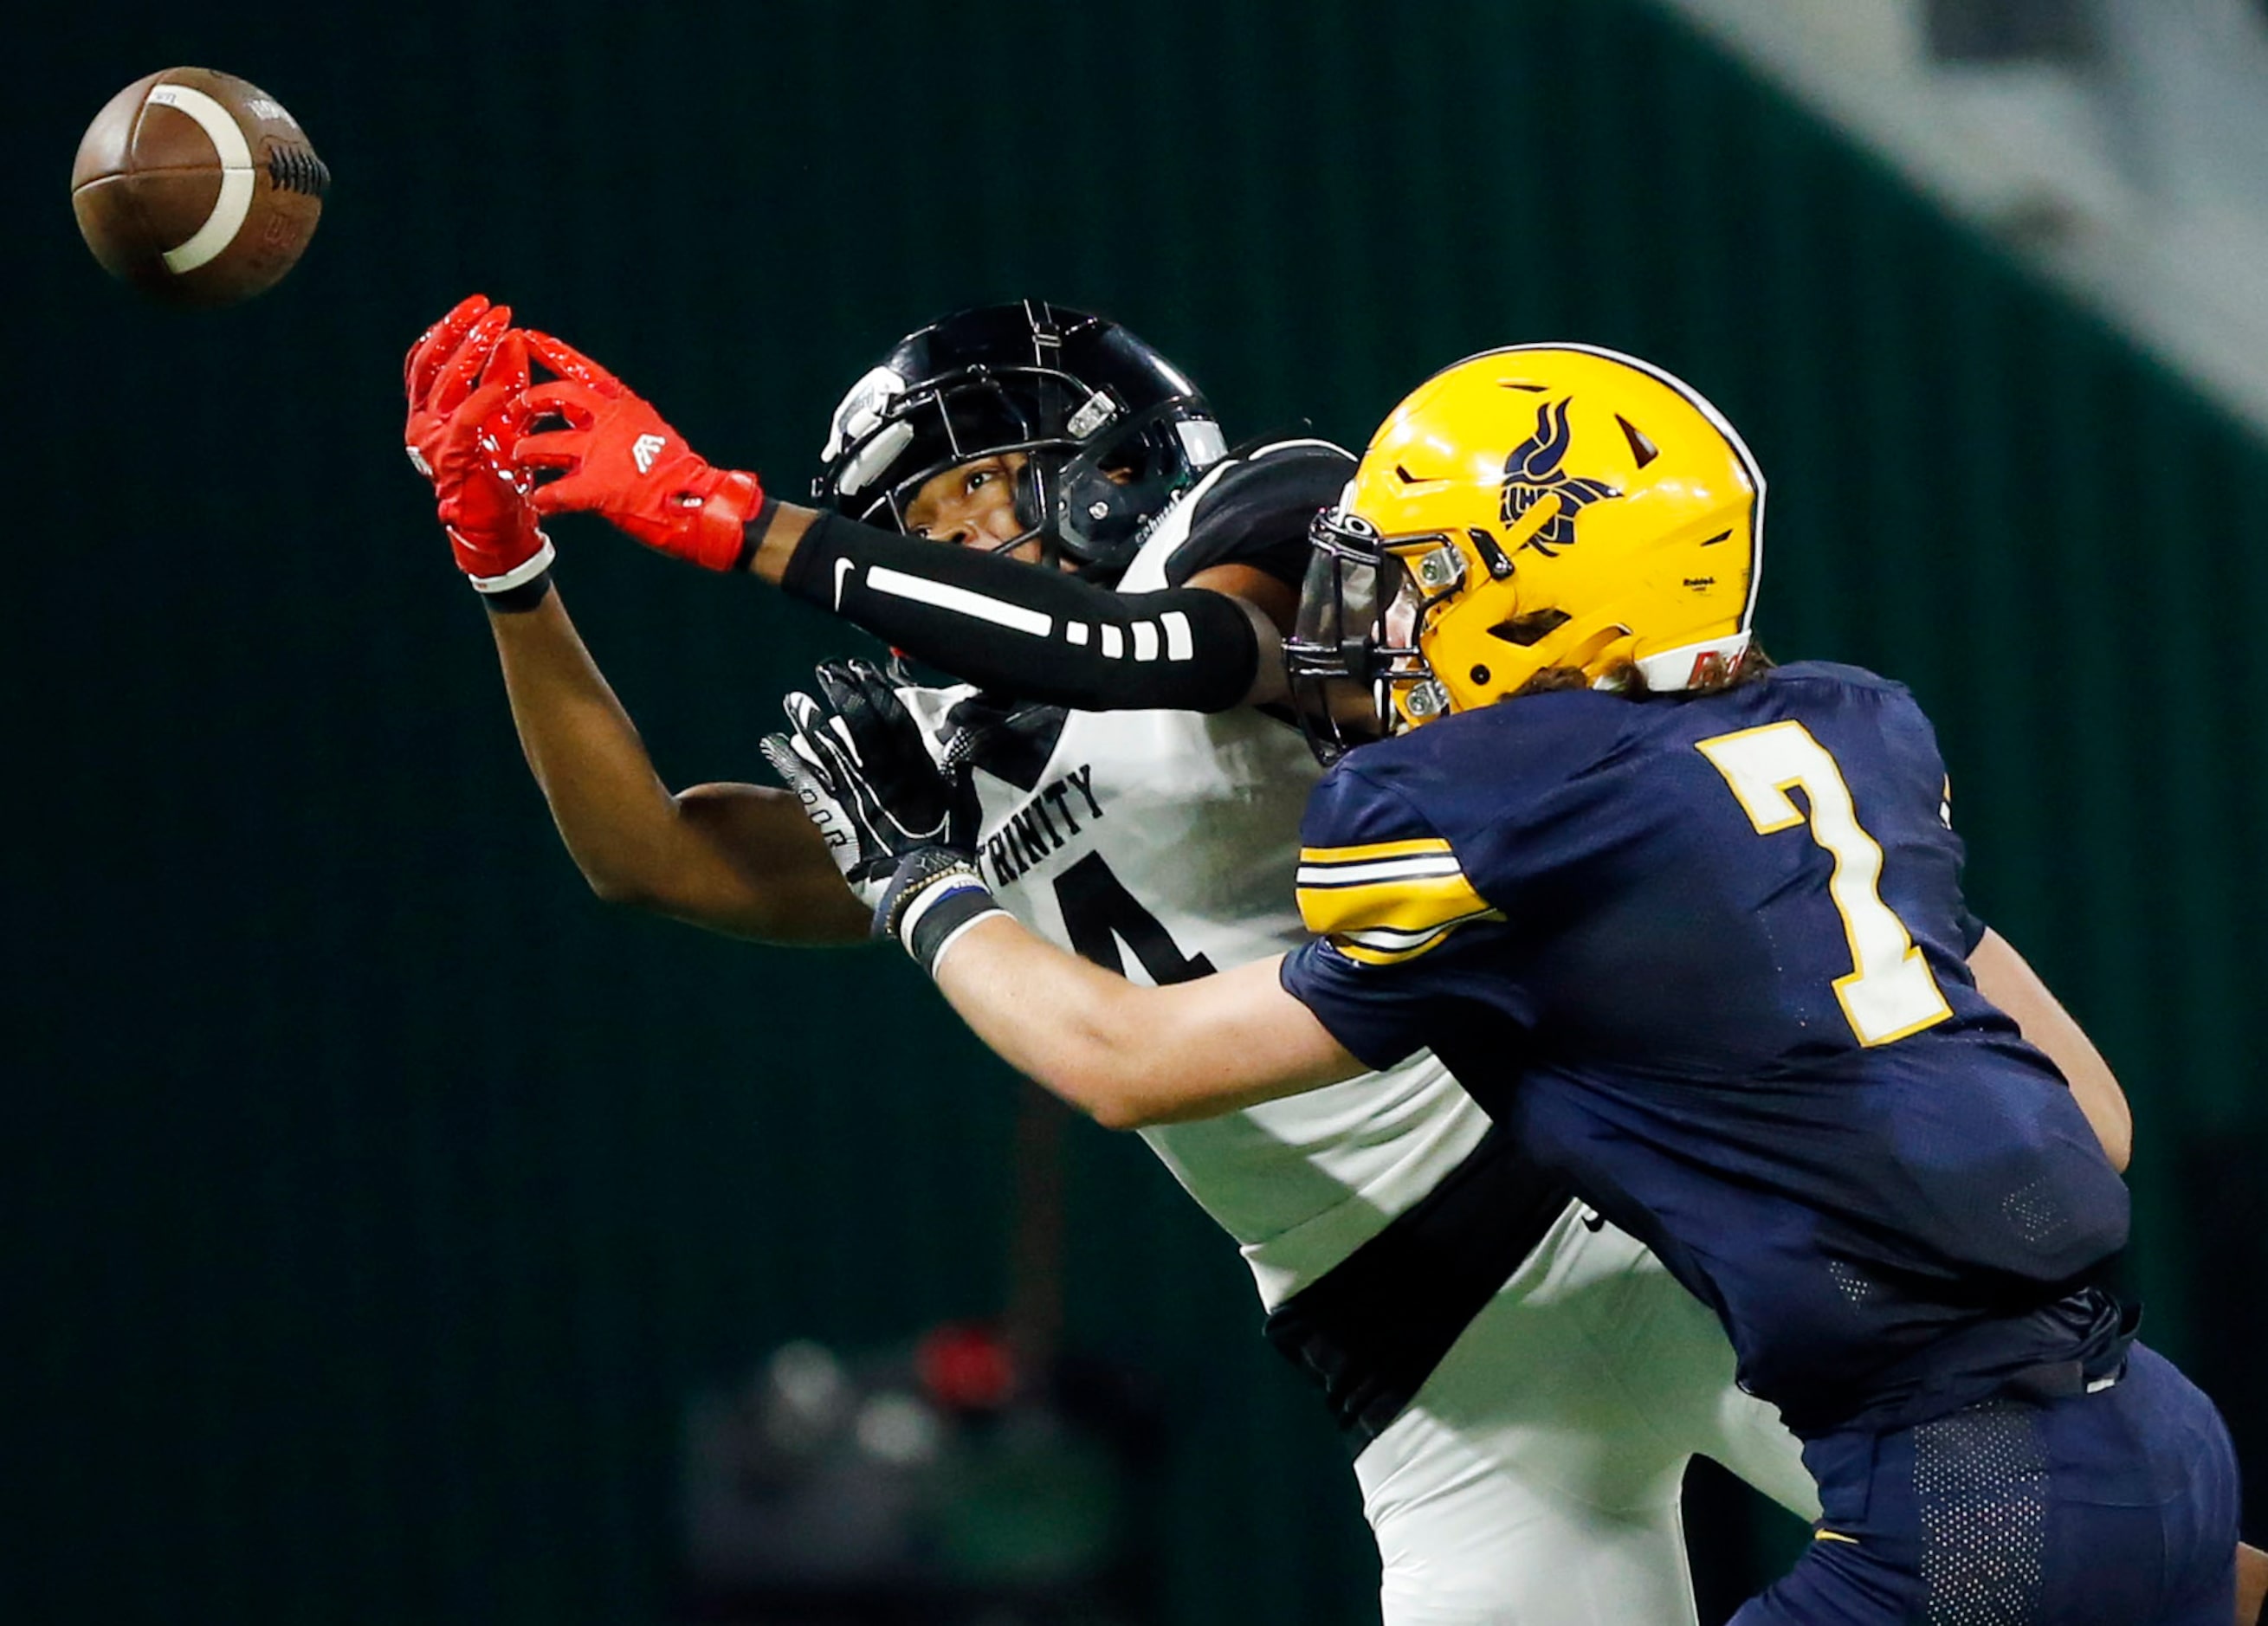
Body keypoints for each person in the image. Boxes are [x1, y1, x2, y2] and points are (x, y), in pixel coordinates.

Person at [402, 298, 2136, 1621]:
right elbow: (651, 859)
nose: (949, 543)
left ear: (1112, 459)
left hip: (1619, 1206)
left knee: (2095, 1574)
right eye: (920, 514)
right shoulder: (940, 758)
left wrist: (743, 524)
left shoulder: (1262, 531)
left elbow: (1164, 647)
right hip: (1406, 1358)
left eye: (982, 488)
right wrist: (513, 575)